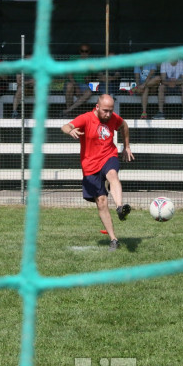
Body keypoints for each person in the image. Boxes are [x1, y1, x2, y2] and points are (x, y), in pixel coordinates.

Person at [61, 94, 134, 251]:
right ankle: (114, 239)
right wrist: (70, 131)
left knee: (112, 174)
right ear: (97, 107)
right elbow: (65, 126)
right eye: (105, 111)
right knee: (101, 201)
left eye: (111, 111)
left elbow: (124, 125)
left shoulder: (113, 118)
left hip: (109, 156)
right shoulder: (86, 118)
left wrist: (126, 146)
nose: (108, 114)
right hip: (90, 165)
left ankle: (120, 207)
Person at [59, 44, 94, 118]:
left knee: (89, 93)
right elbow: (69, 74)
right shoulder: (73, 58)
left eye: (86, 51)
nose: (84, 53)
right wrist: (77, 87)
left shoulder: (91, 61)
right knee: (69, 86)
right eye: (82, 51)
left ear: (89, 52)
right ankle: (69, 112)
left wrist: (89, 78)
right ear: (79, 51)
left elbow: (92, 77)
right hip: (72, 82)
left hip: (83, 85)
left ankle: (68, 111)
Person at [11, 54, 34, 119]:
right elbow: (18, 82)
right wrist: (29, 82)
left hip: (33, 90)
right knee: (20, 89)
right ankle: (14, 112)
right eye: (27, 59)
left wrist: (25, 82)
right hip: (24, 90)